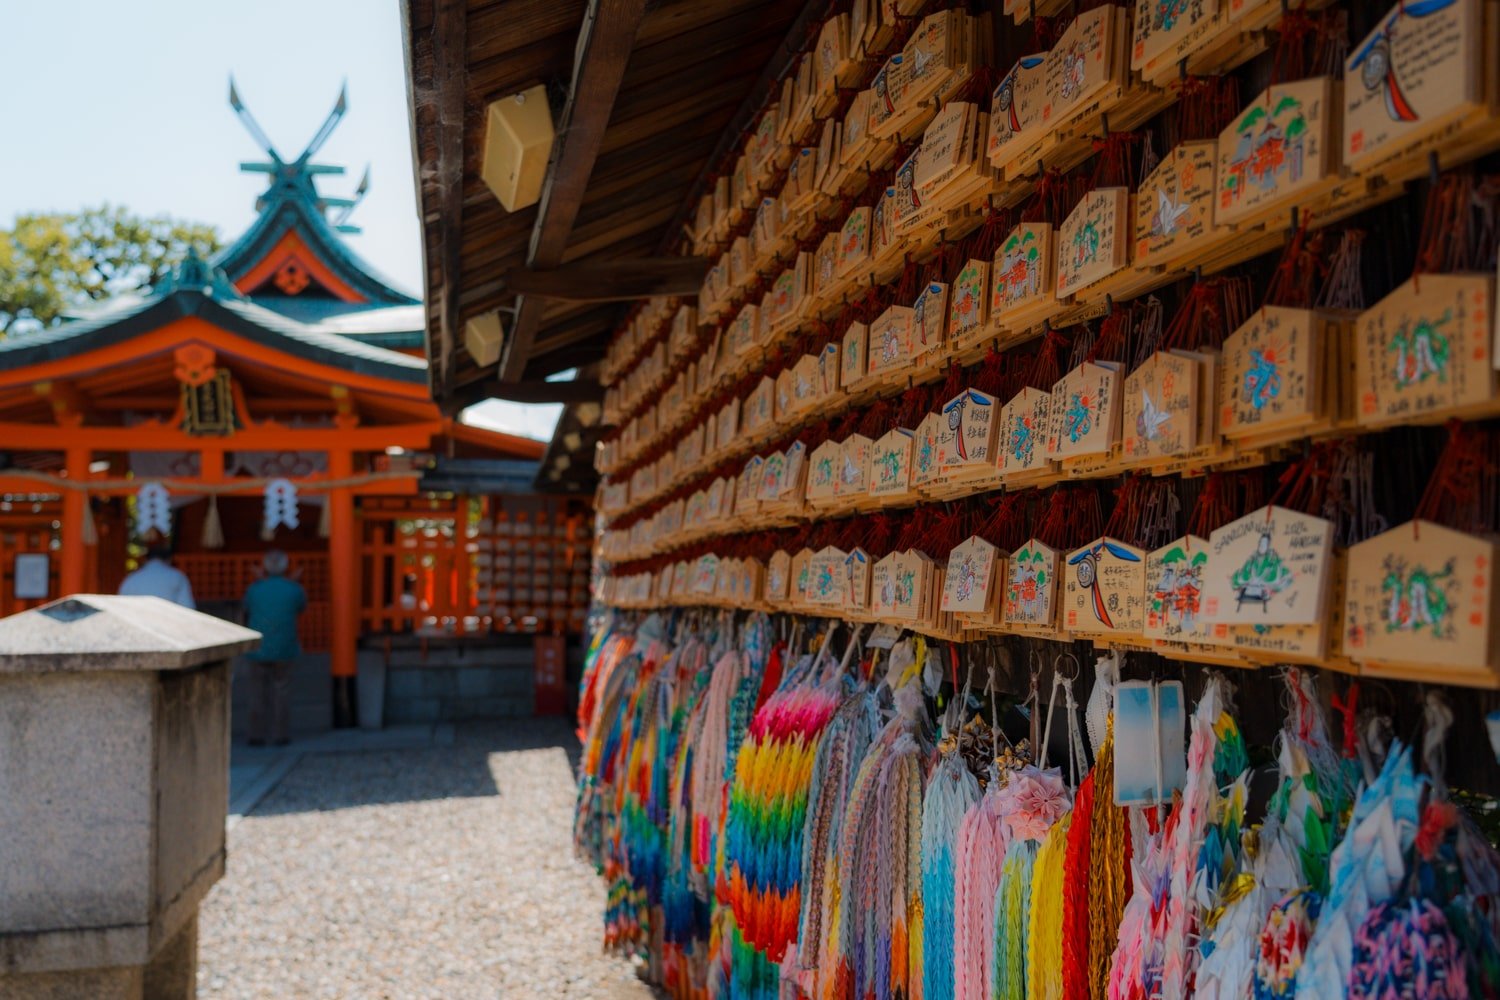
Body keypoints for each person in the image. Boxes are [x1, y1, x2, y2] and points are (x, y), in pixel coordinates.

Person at [242, 550, 308, 746]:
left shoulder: (254, 589)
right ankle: (280, 734)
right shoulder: (294, 589)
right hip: (285, 646)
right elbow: (301, 607)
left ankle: (256, 735)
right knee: (282, 691)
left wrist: (261, 580)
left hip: (257, 647)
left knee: (256, 693)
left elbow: (247, 607)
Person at [119, 543, 196, 609]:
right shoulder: (177, 577)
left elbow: (121, 608)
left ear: (146, 559)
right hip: (169, 623)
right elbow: (187, 607)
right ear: (169, 559)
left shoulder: (131, 579)